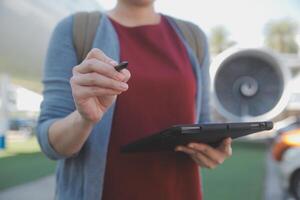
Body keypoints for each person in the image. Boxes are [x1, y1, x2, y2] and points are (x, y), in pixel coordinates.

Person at [37, 0, 232, 199]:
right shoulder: (76, 30)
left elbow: (203, 120)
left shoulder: (193, 37)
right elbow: (50, 142)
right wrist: (84, 119)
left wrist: (213, 146)